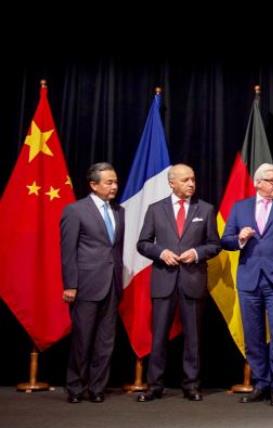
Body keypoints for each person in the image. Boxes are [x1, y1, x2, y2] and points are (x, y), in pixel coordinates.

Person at [221, 163, 273, 406]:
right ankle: (261, 383)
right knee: (253, 335)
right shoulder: (240, 208)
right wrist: (240, 239)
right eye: (272, 180)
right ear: (258, 183)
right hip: (249, 280)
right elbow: (225, 241)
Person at [136, 164, 221, 402]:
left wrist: (196, 252)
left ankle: (191, 384)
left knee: (193, 337)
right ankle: (154, 385)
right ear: (171, 183)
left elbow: (214, 245)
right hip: (164, 280)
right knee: (159, 336)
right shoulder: (156, 210)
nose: (191, 184)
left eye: (193, 179)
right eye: (185, 180)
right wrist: (160, 252)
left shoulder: (205, 209)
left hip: (192, 280)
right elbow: (143, 243)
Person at [60, 162, 124, 403]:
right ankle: (75, 387)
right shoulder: (75, 211)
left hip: (112, 284)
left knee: (105, 341)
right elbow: (68, 251)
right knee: (82, 339)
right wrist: (70, 284)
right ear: (93, 185)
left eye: (115, 182)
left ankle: (97, 388)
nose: (114, 186)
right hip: (86, 284)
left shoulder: (120, 211)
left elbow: (114, 249)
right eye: (109, 182)